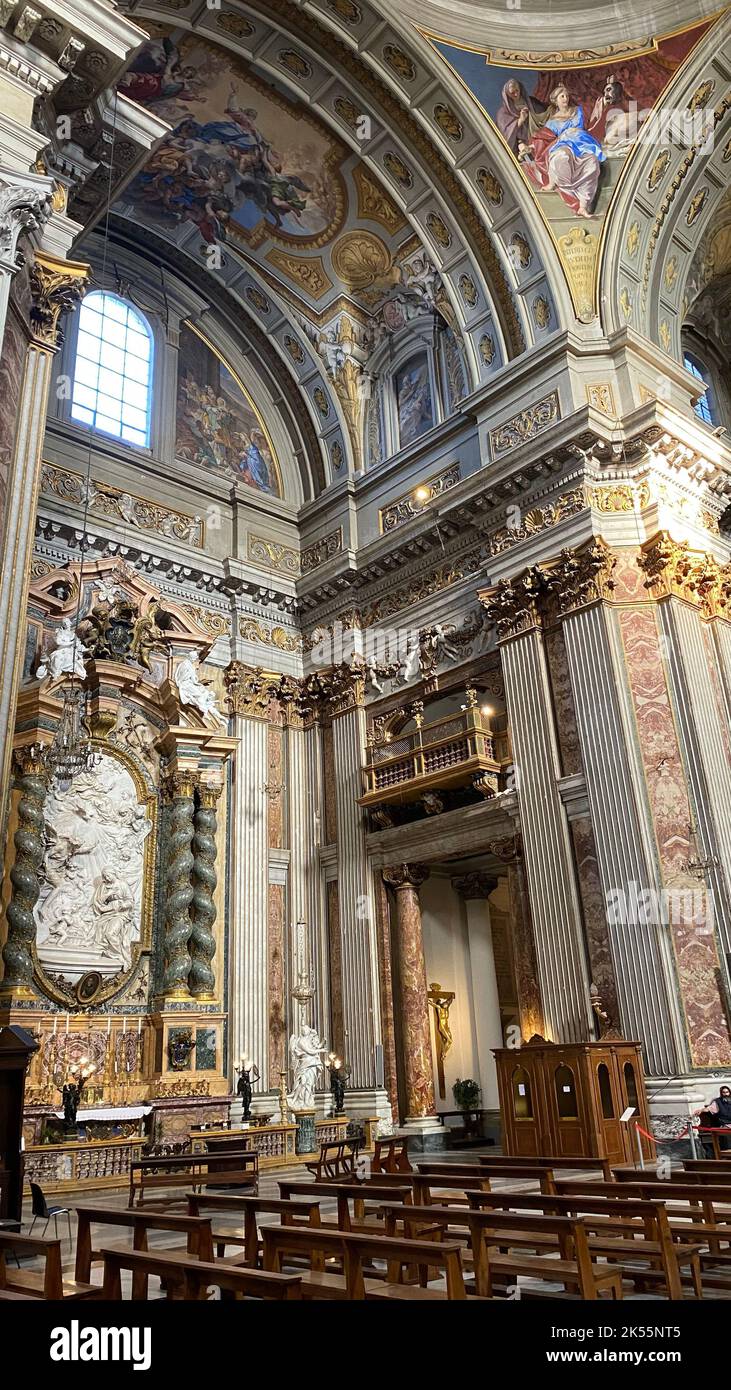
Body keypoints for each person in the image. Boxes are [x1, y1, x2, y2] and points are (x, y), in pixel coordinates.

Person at [519, 83, 605, 218]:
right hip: (564, 144)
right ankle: (555, 183)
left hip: (583, 145)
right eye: (562, 96)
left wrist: (602, 105)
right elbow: (543, 138)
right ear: (555, 100)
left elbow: (593, 120)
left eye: (566, 95)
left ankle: (583, 206)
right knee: (562, 156)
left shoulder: (579, 111)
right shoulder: (552, 122)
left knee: (592, 162)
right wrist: (530, 147)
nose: (565, 98)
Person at [496, 78, 548, 153]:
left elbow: (544, 115)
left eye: (517, 90)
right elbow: (505, 138)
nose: (516, 94)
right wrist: (520, 120)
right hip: (522, 144)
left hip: (540, 137)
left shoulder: (531, 102)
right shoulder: (502, 113)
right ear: (507, 94)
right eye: (512, 93)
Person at [696, 1084, 731, 1151]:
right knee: (726, 1134)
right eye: (724, 1092)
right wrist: (701, 1110)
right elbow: (708, 1109)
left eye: (727, 1092)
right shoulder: (718, 1102)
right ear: (721, 1093)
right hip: (725, 1124)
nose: (726, 1094)